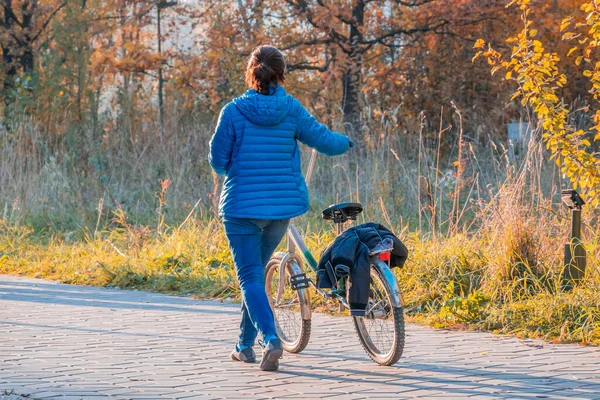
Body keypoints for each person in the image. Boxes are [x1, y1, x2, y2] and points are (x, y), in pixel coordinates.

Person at [208, 45, 352, 372]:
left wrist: (235, 164)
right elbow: (325, 141)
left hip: (241, 208)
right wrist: (347, 142)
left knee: (249, 277)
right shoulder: (292, 110)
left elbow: (217, 162)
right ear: (281, 73)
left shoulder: (233, 111)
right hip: (279, 210)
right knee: (255, 275)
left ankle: (270, 339)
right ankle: (244, 346)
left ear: (251, 72)